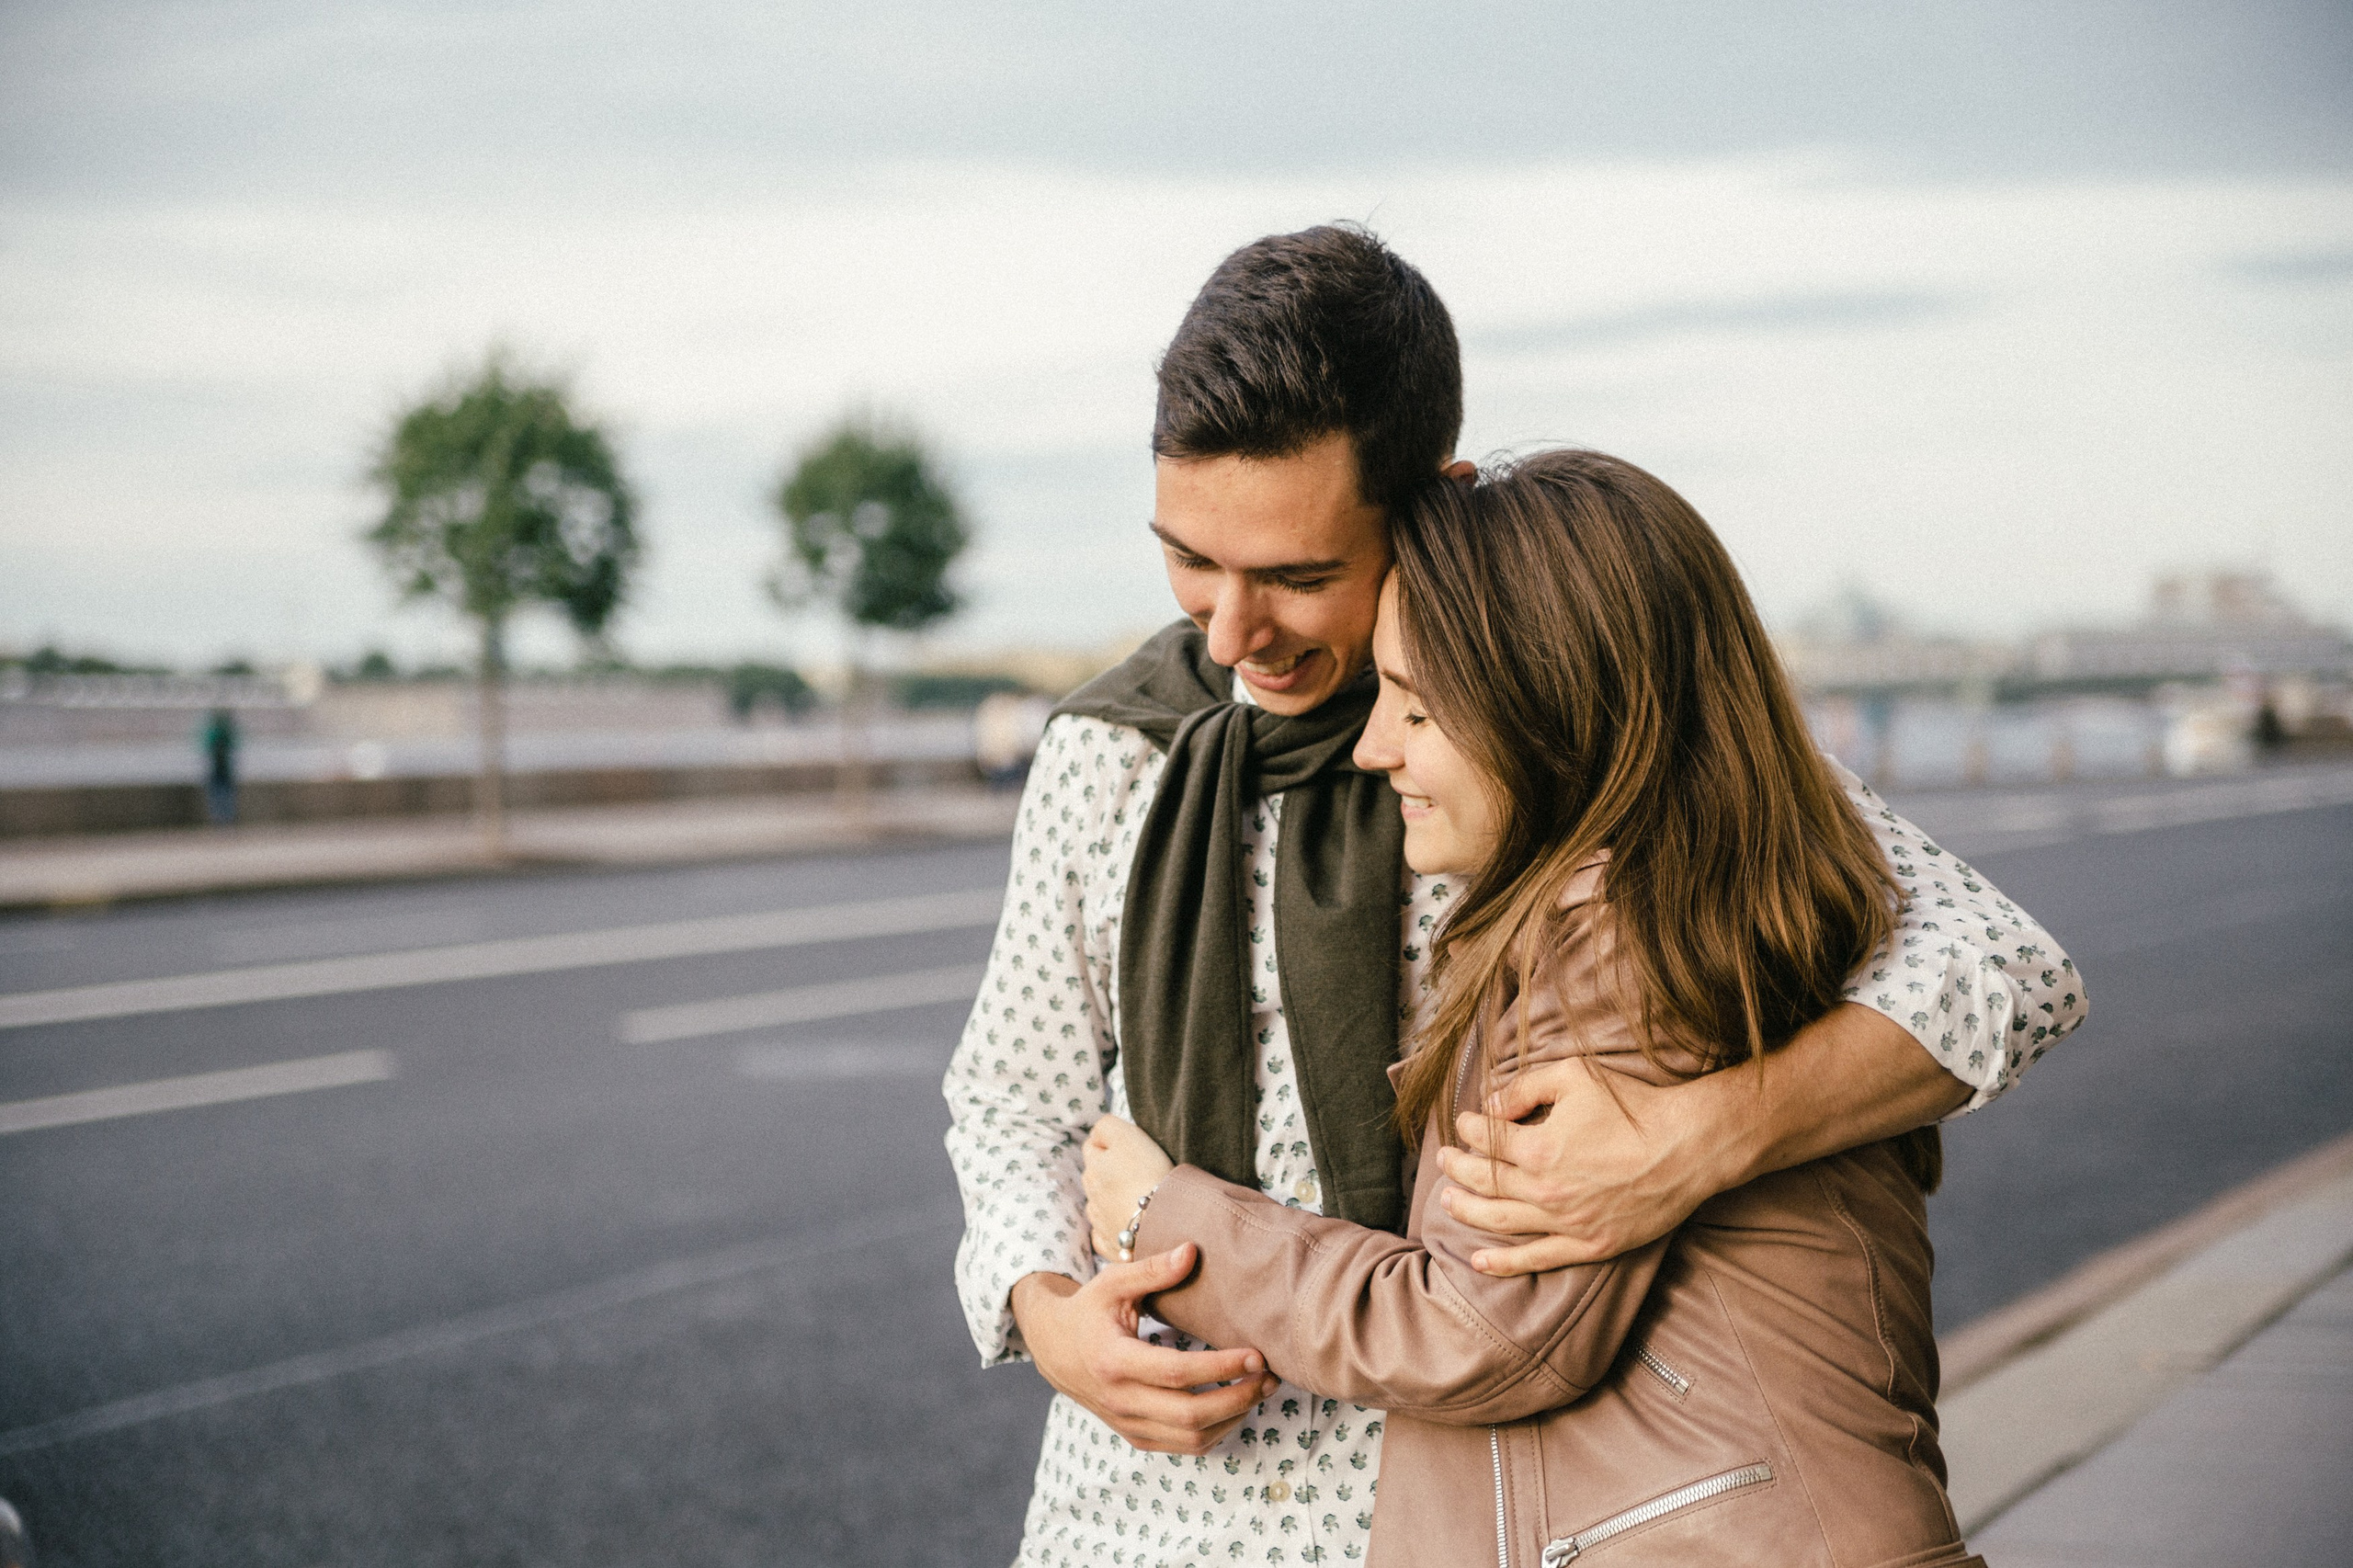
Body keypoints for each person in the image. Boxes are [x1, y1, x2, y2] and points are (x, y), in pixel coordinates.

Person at [942, 225, 2084, 1566]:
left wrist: (1696, 1138)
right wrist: (1053, 1311)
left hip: (1430, 1490)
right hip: (1131, 1506)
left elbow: (2002, 972)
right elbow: (1017, 1089)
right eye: (1191, 558)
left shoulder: (1573, 728)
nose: (1230, 635)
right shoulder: (1113, 749)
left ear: (1437, 498)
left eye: (1300, 577)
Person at [1081, 449, 1993, 1566]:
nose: (1373, 747)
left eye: (1414, 711)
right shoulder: (1688, 893)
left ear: (1557, 709)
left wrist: (1164, 1217)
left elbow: (1475, 1331)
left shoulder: (1620, 946)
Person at [199, 707, 239, 825]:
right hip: (221, 770)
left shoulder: (217, 733)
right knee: (223, 795)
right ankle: (224, 819)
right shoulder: (223, 733)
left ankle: (222, 819)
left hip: (221, 770)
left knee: (222, 795)